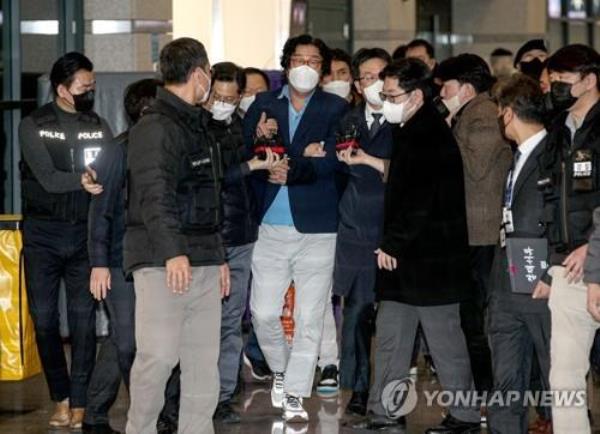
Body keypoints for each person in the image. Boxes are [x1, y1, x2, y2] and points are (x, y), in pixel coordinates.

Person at [357, 58, 480, 433]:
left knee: (445, 342)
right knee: (392, 337)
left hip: (430, 261)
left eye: (392, 95)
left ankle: (465, 415)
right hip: (407, 260)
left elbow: (420, 199)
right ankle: (384, 412)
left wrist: (392, 244)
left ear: (415, 96)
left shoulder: (428, 134)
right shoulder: (409, 129)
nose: (385, 101)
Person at [124, 37, 229, 434]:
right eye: (210, 76)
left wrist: (218, 256)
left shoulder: (199, 125)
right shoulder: (154, 127)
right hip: (162, 261)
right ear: (199, 73)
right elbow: (154, 194)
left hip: (202, 258)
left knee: (203, 361)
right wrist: (173, 253)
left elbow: (211, 196)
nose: (211, 85)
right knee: (159, 357)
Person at [243, 33, 347, 422]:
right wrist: (299, 154)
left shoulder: (336, 108)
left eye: (314, 60)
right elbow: (248, 154)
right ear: (286, 65)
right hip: (269, 225)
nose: (306, 66)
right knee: (264, 313)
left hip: (319, 227)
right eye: (298, 59)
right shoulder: (263, 105)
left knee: (309, 316)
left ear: (322, 69)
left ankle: (297, 394)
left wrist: (295, 164)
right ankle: (282, 372)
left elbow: (337, 160)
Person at [19, 51, 113, 429]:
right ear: (61, 89)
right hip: (42, 235)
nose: (89, 92)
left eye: (92, 86)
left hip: (83, 234)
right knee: (43, 319)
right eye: (83, 87)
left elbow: (107, 167)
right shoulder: (34, 125)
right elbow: (46, 177)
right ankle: (58, 395)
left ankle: (79, 402)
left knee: (83, 322)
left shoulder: (98, 124)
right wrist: (81, 181)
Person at [206, 61, 281, 423]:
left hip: (241, 235)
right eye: (216, 96)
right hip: (208, 240)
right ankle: (204, 392)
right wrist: (252, 166)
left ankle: (224, 391)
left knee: (233, 318)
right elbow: (210, 177)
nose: (222, 103)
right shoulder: (196, 127)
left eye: (230, 98)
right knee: (205, 322)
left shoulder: (239, 123)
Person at [535, 43, 600, 434]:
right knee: (564, 378)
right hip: (567, 267)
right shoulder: (558, 130)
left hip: (594, 255)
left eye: (563, 80)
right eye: (552, 80)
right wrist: (552, 260)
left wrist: (592, 245)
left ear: (590, 80)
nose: (554, 87)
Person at [437, 54, 511, 396]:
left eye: (446, 87)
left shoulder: (482, 114)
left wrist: (448, 127)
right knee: (468, 317)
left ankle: (487, 391)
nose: (442, 95)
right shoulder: (471, 113)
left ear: (466, 89)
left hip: (481, 233)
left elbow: (473, 166)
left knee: (476, 318)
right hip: (468, 231)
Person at [487, 74, 552, 434]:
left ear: (508, 113)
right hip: (508, 280)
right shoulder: (516, 157)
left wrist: (552, 271)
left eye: (499, 110)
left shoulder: (554, 154)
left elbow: (571, 217)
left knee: (555, 378)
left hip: (543, 282)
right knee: (506, 381)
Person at [330, 46, 392, 417]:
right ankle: (358, 387)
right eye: (367, 77)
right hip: (354, 230)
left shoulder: (406, 122)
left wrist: (369, 161)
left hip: (392, 229)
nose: (374, 83)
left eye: (380, 75)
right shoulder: (347, 121)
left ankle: (390, 386)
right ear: (357, 83)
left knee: (392, 317)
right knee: (355, 315)